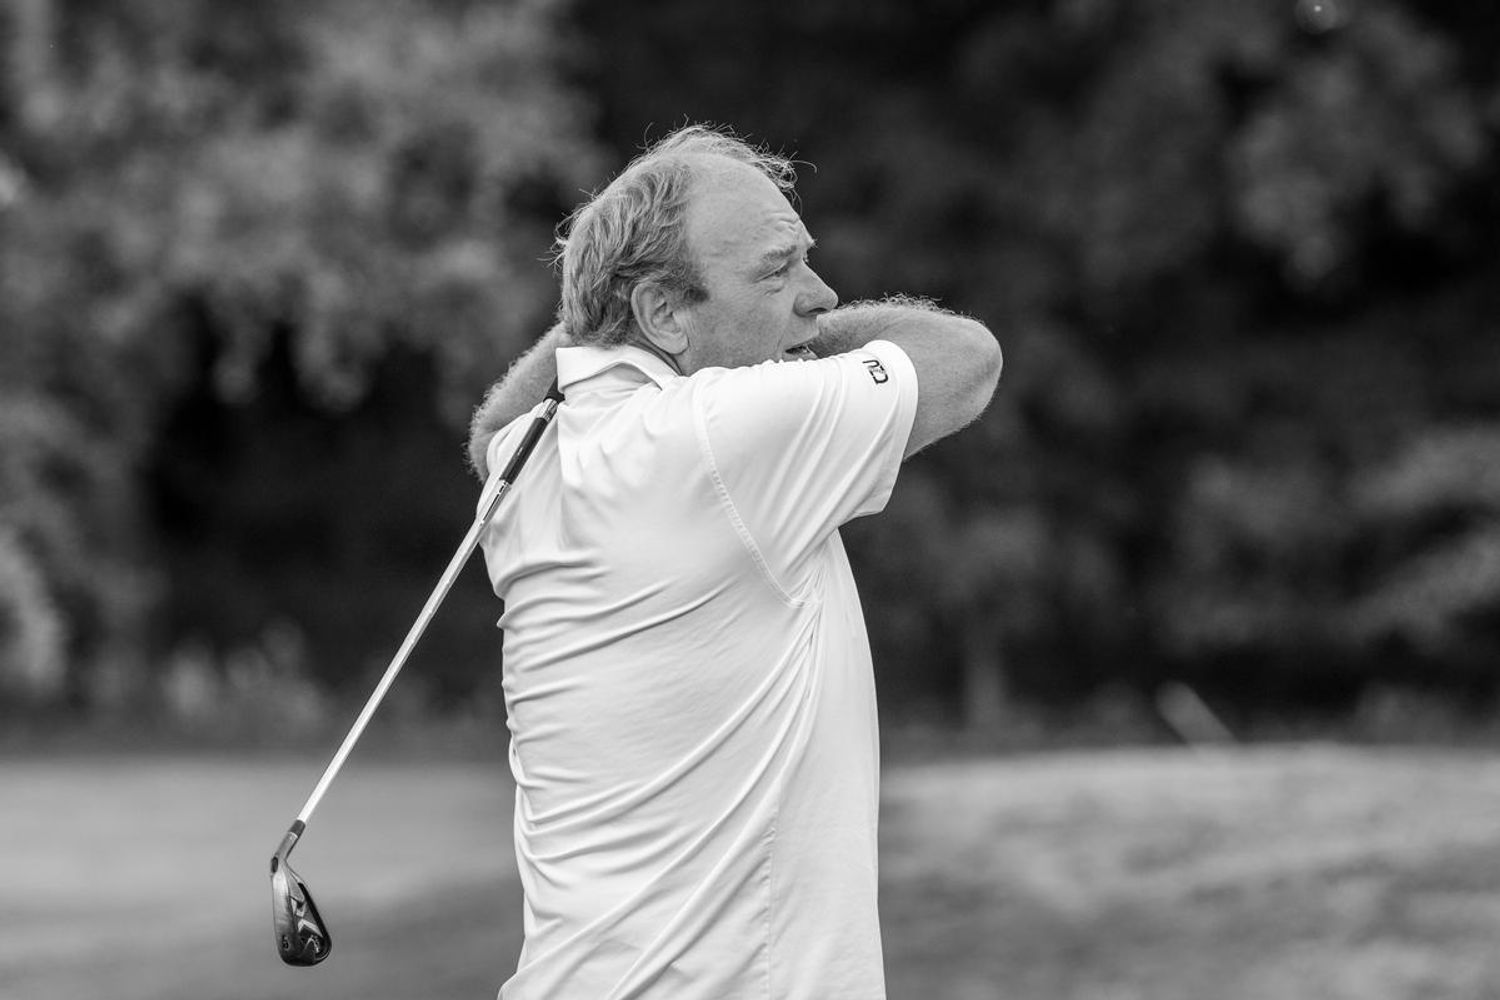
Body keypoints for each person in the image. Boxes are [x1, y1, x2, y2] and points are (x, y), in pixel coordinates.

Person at [467, 125, 1001, 999]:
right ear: (664, 315)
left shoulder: (527, 456)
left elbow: (491, 425)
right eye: (777, 271)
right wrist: (792, 343)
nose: (820, 296)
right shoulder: (717, 432)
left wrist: (603, 308)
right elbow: (967, 362)